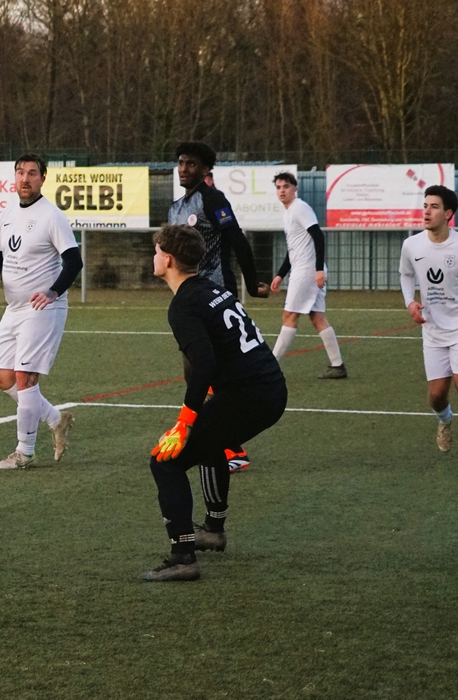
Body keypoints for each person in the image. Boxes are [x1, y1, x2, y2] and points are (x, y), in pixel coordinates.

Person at [142, 224, 286, 582]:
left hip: (249, 396)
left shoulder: (184, 304)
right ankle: (213, 530)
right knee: (210, 443)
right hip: (269, 388)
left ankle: (183, 557)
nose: (154, 256)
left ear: (168, 259)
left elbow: (204, 363)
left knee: (165, 462)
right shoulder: (211, 289)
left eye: (157, 251)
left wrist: (185, 421)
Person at [168, 142, 269, 473]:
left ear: (205, 169)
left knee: (210, 370)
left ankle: (231, 447)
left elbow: (237, 240)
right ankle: (219, 439)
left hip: (215, 294)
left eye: (191, 164)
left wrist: (251, 284)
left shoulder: (212, 200)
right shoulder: (176, 208)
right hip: (189, 298)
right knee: (194, 370)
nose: (184, 169)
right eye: (181, 163)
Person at [0, 155, 81, 469]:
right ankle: (56, 419)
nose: (25, 178)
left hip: (43, 308)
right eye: (20, 172)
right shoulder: (8, 213)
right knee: (1, 376)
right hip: (15, 308)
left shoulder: (52, 216)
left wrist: (52, 292)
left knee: (25, 376)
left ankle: (25, 452)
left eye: (32, 173)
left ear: (42, 179)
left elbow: (74, 261)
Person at [269, 172, 347, 378]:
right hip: (304, 270)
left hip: (307, 271)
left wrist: (318, 269)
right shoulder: (288, 213)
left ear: (295, 189)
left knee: (289, 316)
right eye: (278, 187)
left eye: (286, 186)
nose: (282, 190)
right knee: (317, 317)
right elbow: (293, 248)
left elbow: (318, 236)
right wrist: (280, 275)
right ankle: (338, 366)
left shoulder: (299, 208)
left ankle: (270, 367)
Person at [399, 185, 458, 452]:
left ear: (448, 214)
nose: (426, 211)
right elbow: (406, 274)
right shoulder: (411, 245)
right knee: (436, 396)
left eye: (434, 207)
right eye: (425, 206)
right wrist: (410, 302)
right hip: (432, 331)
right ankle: (445, 421)